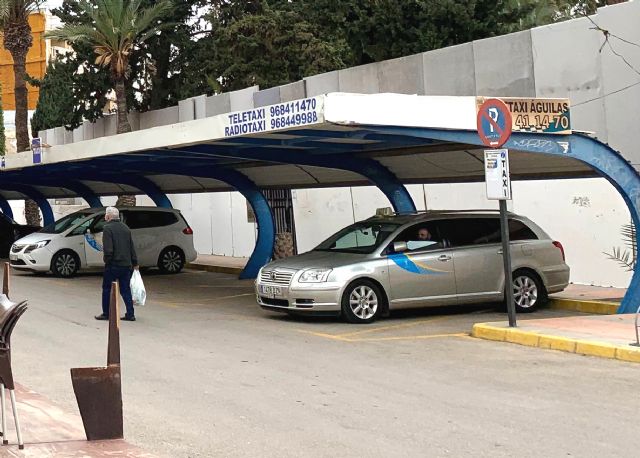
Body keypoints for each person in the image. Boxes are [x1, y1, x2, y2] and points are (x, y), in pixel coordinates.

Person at [95, 207, 138, 322]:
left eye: (106, 214)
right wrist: (135, 262)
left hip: (113, 264)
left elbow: (108, 249)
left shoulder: (107, 228)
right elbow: (131, 247)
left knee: (107, 288)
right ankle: (130, 313)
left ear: (108, 216)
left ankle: (106, 313)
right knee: (125, 290)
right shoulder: (126, 228)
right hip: (126, 265)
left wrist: (107, 260)